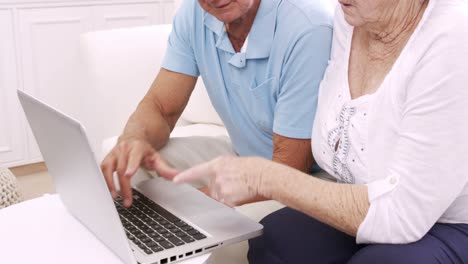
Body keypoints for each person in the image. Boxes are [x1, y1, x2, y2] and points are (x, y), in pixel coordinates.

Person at [170, 0, 468, 262]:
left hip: (447, 221)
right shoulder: (350, 19)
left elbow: (402, 216)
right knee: (277, 239)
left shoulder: (453, 39)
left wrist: (265, 177)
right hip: (359, 194)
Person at [100, 0, 333, 208]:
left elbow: (288, 170)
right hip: (242, 156)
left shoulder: (308, 27)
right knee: (133, 165)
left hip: (300, 181)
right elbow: (161, 108)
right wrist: (133, 140)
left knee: (196, 222)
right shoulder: (194, 13)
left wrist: (186, 208)